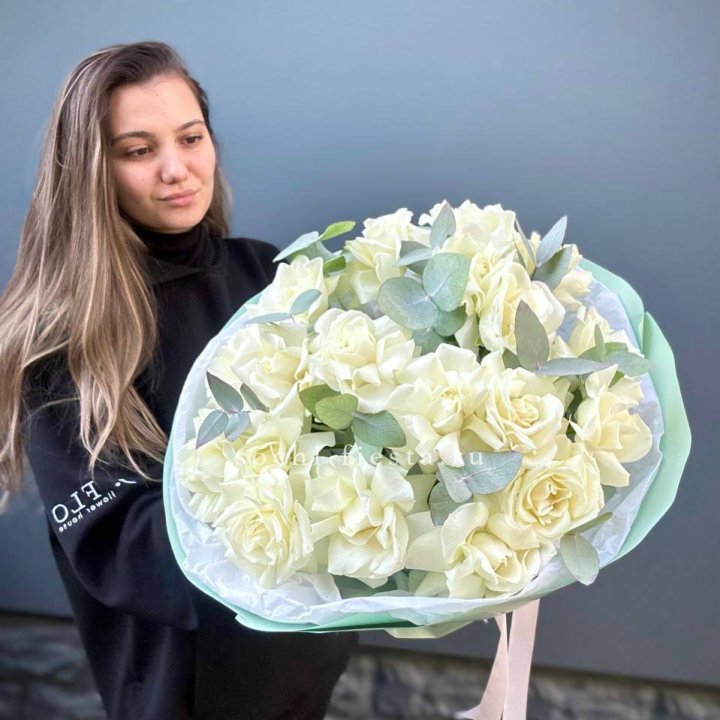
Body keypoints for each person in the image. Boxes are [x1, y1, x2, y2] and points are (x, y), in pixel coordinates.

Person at [0, 41, 358, 720]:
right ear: (91, 170)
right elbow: (121, 544)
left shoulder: (271, 276)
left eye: (191, 138)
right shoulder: (68, 339)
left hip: (302, 661)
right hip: (184, 688)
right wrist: (312, 516)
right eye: (139, 150)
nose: (176, 169)